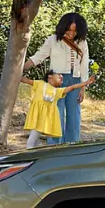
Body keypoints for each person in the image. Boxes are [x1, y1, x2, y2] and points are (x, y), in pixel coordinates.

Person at [23, 12, 96, 144]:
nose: (71, 34)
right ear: (63, 27)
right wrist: (20, 68)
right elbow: (39, 57)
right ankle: (55, 146)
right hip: (56, 82)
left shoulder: (82, 42)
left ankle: (73, 145)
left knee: (74, 115)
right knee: (56, 114)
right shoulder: (53, 40)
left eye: (75, 31)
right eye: (69, 30)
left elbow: (84, 65)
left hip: (75, 80)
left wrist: (83, 87)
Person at [20, 70, 94, 149]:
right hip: (36, 116)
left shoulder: (58, 91)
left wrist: (86, 83)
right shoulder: (40, 84)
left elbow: (72, 87)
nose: (61, 76)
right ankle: (29, 150)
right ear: (50, 76)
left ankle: (34, 149)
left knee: (36, 136)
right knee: (34, 135)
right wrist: (14, 72)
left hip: (45, 119)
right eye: (59, 75)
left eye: (62, 77)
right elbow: (26, 80)